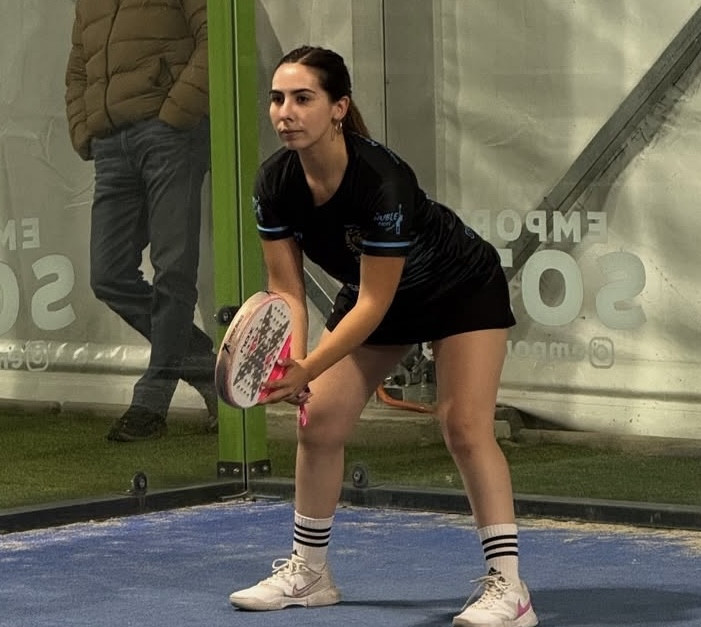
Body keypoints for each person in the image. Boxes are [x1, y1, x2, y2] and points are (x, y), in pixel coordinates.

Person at [228, 45, 538, 627]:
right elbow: (286, 290)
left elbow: (374, 302)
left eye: (303, 98)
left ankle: (510, 590)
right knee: (319, 420)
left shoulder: (383, 181)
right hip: (378, 293)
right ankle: (310, 574)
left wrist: (311, 366)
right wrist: (294, 363)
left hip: (458, 288)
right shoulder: (274, 181)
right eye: (277, 99)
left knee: (464, 426)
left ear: (338, 107)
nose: (285, 112)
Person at [64, 0, 217, 441]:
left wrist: (176, 113)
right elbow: (78, 67)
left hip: (169, 133)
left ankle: (151, 402)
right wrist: (84, 127)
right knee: (108, 275)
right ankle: (207, 368)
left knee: (174, 269)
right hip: (111, 143)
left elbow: (215, 38)